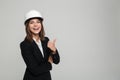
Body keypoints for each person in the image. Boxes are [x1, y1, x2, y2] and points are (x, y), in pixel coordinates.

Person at [20, 10, 60, 80]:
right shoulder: (24, 45)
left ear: (41, 24)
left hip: (46, 78)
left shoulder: (46, 40)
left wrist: (54, 51)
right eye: (32, 22)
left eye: (38, 22)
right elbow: (35, 70)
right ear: (27, 26)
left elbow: (56, 61)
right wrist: (49, 63)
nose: (35, 25)